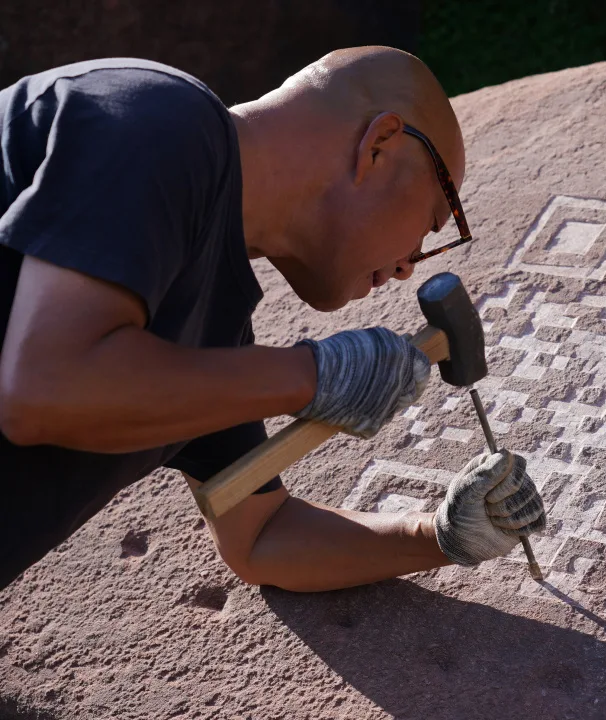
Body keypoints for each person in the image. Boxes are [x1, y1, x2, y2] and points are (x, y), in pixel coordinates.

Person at [0, 47, 546, 592]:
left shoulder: (212, 339)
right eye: (432, 222)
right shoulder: (153, 117)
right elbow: (45, 388)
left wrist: (444, 536)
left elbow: (262, 537)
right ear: (379, 145)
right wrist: (314, 377)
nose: (408, 267)